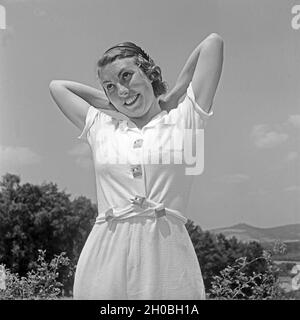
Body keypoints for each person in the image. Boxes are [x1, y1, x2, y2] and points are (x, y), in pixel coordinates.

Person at [49, 33, 224, 300]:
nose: (120, 89)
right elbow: (57, 87)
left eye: (126, 76)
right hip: (104, 258)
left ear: (150, 73)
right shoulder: (103, 127)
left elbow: (212, 43)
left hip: (167, 257)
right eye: (110, 86)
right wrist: (116, 103)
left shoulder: (184, 119)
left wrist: (174, 93)